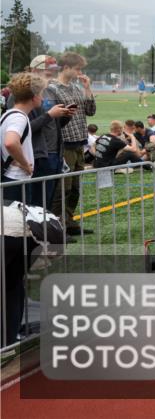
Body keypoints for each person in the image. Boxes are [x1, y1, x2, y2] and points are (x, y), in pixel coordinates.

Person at [1, 72, 47, 347]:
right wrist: (26, 164)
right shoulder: (18, 118)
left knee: (12, 267)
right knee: (14, 265)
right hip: (15, 189)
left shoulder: (8, 115)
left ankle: (10, 329)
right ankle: (9, 333)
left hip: (10, 187)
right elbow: (10, 142)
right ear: (34, 96)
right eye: (41, 93)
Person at [6, 56, 73, 209]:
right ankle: (35, 232)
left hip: (54, 153)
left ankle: (46, 230)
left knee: (47, 202)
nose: (53, 74)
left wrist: (64, 116)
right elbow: (21, 129)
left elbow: (54, 125)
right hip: (37, 156)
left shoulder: (49, 90)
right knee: (35, 204)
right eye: (49, 72)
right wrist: (50, 115)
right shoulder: (19, 94)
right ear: (35, 70)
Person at [46, 52, 97, 235]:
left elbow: (91, 111)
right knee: (63, 188)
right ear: (66, 67)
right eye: (77, 68)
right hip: (64, 144)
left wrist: (87, 88)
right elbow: (50, 118)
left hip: (79, 143)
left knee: (75, 187)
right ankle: (58, 226)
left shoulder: (77, 88)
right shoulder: (52, 89)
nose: (79, 72)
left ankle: (69, 221)